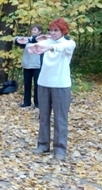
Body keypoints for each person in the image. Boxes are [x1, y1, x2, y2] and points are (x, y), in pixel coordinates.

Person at [27, 18, 76, 161]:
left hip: (61, 85)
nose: (53, 33)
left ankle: (60, 148)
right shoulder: (46, 42)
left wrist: (50, 46)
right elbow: (33, 47)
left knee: (61, 118)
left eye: (56, 30)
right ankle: (43, 144)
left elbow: (61, 47)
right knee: (43, 116)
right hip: (43, 83)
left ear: (63, 31)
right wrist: (35, 44)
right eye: (51, 30)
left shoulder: (68, 43)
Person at [14, 24, 43, 108]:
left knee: (37, 86)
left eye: (35, 30)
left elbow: (36, 41)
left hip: (37, 66)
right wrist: (19, 39)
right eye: (32, 30)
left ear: (40, 31)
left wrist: (28, 39)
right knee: (27, 85)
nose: (33, 31)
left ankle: (37, 104)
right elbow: (16, 40)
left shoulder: (42, 41)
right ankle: (27, 103)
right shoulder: (27, 40)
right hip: (27, 66)